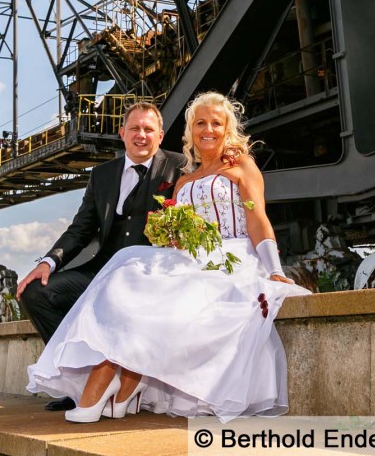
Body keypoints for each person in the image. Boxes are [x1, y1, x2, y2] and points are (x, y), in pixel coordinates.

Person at [26, 92, 311, 423]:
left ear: (227, 128)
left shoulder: (240, 166)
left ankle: (114, 383)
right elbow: (84, 228)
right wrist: (172, 237)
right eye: (200, 123)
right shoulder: (183, 180)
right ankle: (109, 380)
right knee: (124, 273)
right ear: (189, 131)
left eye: (216, 123)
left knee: (152, 289)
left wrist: (274, 270)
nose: (208, 130)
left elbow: (257, 219)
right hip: (184, 256)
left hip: (229, 254)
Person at [16, 101, 185, 411]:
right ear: (122, 133)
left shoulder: (180, 167)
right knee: (36, 293)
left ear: (160, 135)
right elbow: (80, 229)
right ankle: (76, 385)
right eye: (134, 128)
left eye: (149, 130)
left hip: (148, 275)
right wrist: (47, 262)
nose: (141, 135)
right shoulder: (102, 174)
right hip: (102, 270)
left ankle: (105, 386)